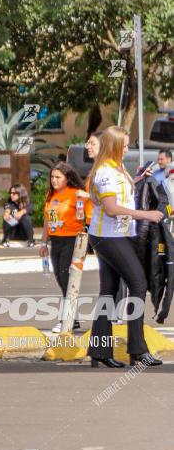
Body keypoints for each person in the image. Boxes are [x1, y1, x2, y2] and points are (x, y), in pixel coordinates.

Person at [87, 126, 164, 369]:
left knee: (108, 291)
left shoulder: (117, 168)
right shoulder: (105, 172)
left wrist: (138, 179)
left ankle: (99, 350)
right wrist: (146, 215)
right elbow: (111, 209)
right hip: (108, 237)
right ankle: (138, 350)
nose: (129, 149)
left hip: (114, 235)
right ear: (115, 146)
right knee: (138, 284)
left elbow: (120, 197)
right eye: (126, 145)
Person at [39, 163, 90, 333]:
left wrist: (85, 199)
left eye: (58, 177)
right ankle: (72, 318)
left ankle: (67, 319)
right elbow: (47, 221)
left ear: (67, 179)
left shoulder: (76, 194)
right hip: (56, 241)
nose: (54, 180)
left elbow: (86, 213)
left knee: (66, 278)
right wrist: (43, 243)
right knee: (61, 280)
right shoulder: (50, 195)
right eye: (52, 177)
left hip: (72, 239)